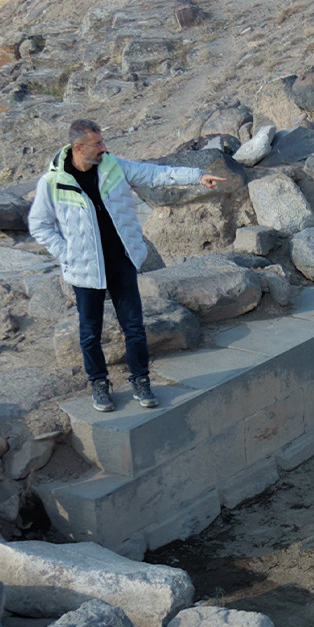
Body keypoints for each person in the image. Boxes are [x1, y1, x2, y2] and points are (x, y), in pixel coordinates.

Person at [29, 119, 224, 412]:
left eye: (103, 141)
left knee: (134, 326)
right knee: (89, 332)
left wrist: (197, 176)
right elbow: (39, 225)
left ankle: (140, 381)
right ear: (78, 148)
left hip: (121, 261)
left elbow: (156, 175)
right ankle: (99, 384)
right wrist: (67, 254)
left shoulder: (113, 166)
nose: (104, 148)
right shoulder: (52, 183)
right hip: (84, 269)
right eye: (98, 144)